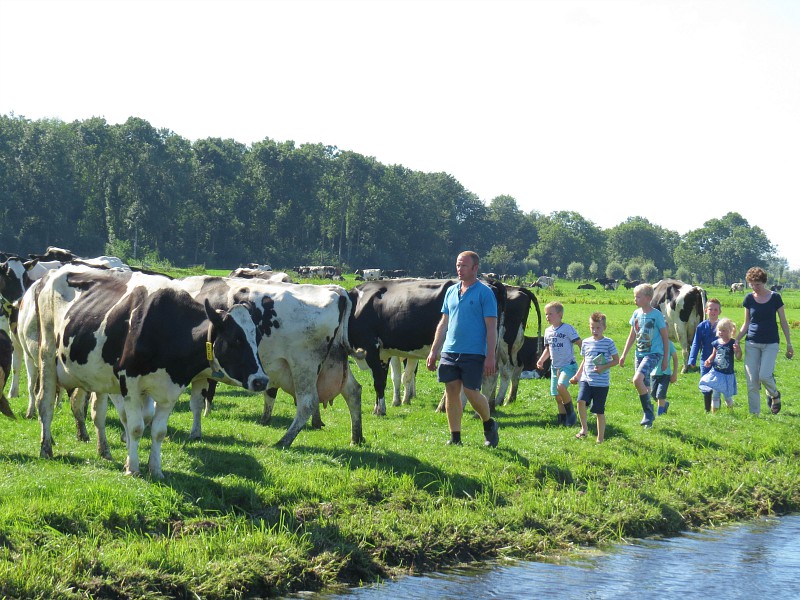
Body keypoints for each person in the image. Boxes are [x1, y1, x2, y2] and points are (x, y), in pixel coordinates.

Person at [426, 251, 500, 447]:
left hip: (474, 352)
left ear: (475, 268)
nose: (459, 269)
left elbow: (491, 327)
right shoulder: (451, 291)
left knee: (471, 392)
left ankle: (489, 423)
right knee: (451, 391)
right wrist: (434, 350)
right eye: (458, 265)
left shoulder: (485, 293)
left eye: (464, 266)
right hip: (450, 350)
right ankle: (455, 437)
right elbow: (443, 323)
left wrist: (490, 355)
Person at [734, 267, 793, 415]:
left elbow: (783, 322)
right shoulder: (748, 298)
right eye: (752, 284)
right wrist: (737, 339)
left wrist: (789, 343)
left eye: (758, 284)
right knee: (752, 381)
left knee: (764, 375)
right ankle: (755, 415)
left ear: (764, 282)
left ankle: (774, 394)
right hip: (752, 342)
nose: (755, 287)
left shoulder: (775, 297)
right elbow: (746, 322)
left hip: (771, 343)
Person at [619, 283, 669, 428]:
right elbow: (632, 336)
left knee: (637, 380)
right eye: (635, 296)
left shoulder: (657, 315)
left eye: (638, 297)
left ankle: (648, 412)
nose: (635, 299)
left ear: (647, 298)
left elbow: (665, 338)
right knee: (644, 386)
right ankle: (649, 420)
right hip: (639, 353)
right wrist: (624, 354)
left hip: (654, 354)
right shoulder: (636, 314)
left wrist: (665, 358)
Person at [570, 312, 619, 443]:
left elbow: (616, 360)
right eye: (592, 327)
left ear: (604, 328)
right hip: (586, 380)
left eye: (598, 328)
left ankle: (600, 438)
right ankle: (584, 429)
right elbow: (585, 360)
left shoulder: (608, 343)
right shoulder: (586, 342)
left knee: (599, 411)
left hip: (601, 383)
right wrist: (577, 375)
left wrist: (603, 367)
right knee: (580, 401)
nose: (595, 330)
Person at [536, 301, 581, 427]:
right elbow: (548, 349)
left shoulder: (567, 329)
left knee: (561, 387)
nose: (547, 317)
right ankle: (562, 418)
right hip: (554, 367)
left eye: (551, 314)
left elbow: (579, 342)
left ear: (560, 314)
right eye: (546, 314)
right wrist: (541, 360)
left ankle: (571, 414)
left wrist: (586, 354)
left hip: (568, 365)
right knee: (557, 396)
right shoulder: (548, 331)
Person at [699, 317, 742, 412]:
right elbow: (713, 354)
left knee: (727, 396)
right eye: (719, 330)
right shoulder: (716, 343)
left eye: (724, 330)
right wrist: (708, 360)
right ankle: (715, 413)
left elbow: (738, 357)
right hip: (716, 372)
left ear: (730, 331)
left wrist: (738, 350)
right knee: (715, 394)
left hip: (727, 374)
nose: (721, 332)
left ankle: (730, 409)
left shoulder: (732, 343)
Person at [688, 298, 722, 412]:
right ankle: (707, 409)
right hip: (705, 360)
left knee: (716, 385)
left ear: (719, 312)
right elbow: (696, 343)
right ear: (705, 310)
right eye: (710, 309)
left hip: (719, 360)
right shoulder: (701, 326)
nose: (713, 312)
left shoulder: (723, 326)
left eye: (716, 309)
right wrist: (692, 359)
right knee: (706, 384)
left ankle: (716, 409)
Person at [651, 340, 679, 416]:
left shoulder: (669, 343)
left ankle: (659, 415)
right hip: (654, 373)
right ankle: (665, 404)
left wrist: (675, 373)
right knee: (653, 394)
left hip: (665, 374)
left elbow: (675, 358)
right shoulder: (653, 342)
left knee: (660, 395)